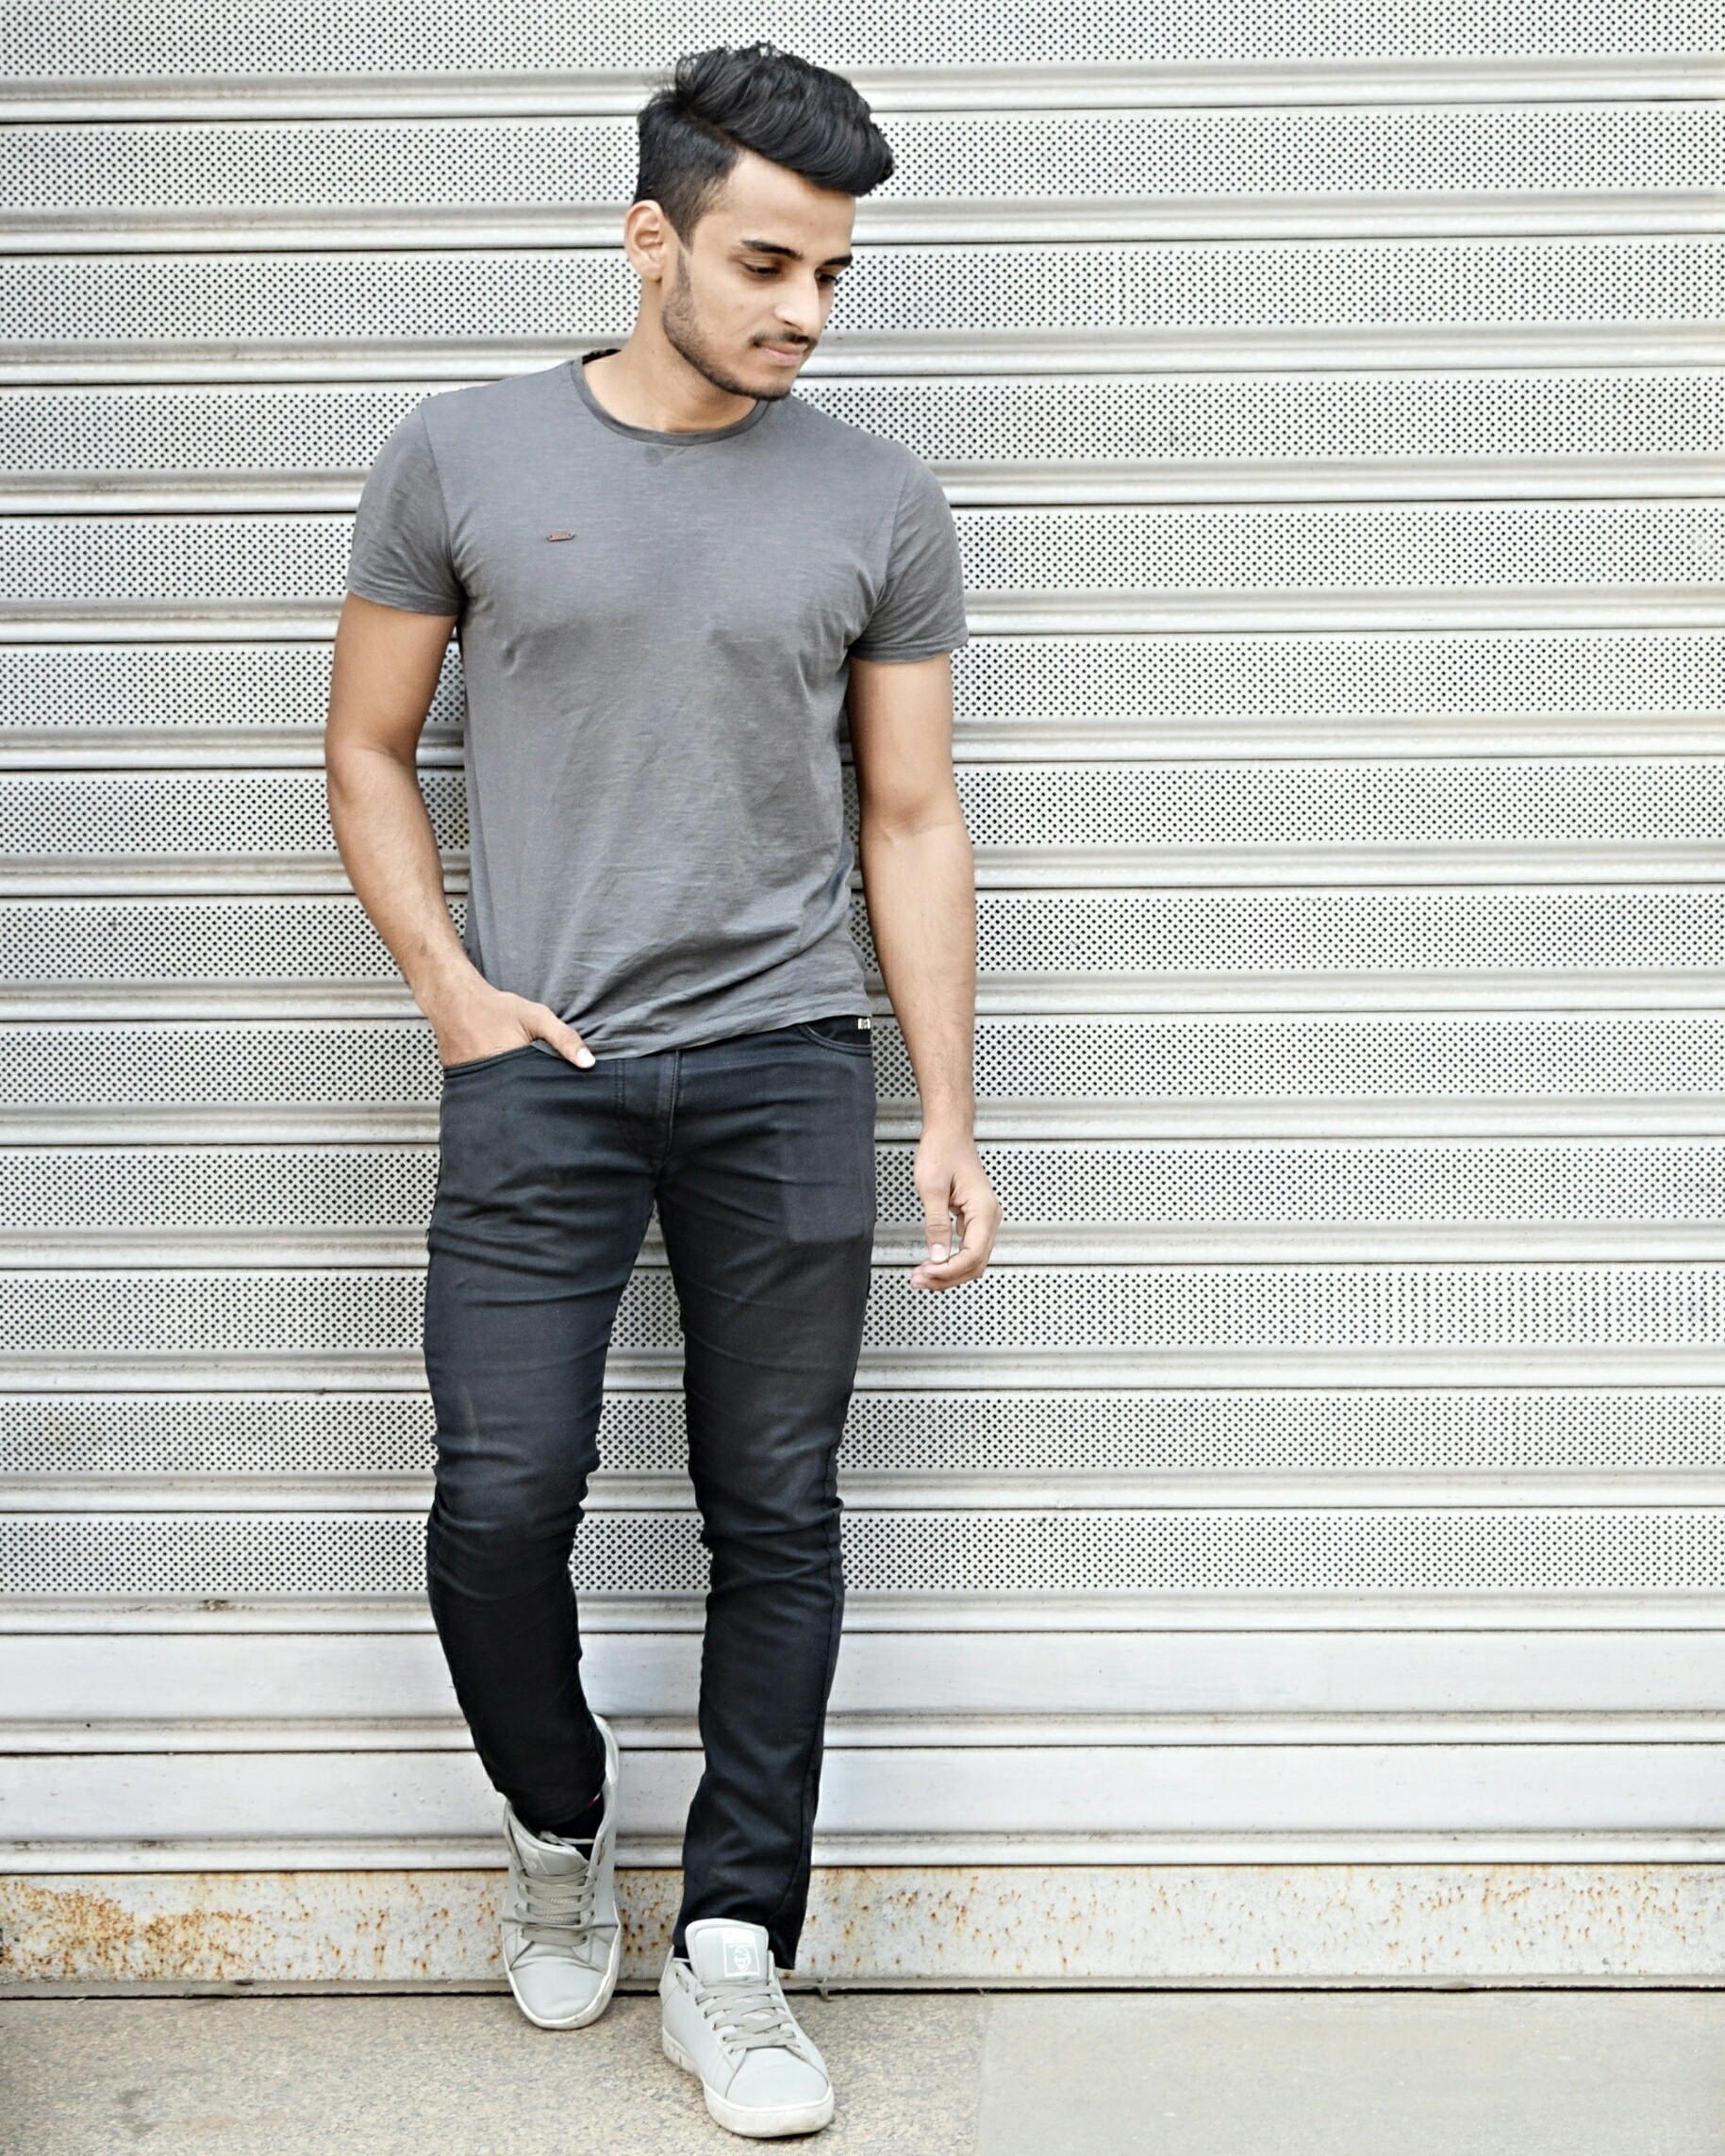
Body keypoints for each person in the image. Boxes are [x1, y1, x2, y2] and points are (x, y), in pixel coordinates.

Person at [325, 41, 1001, 2140]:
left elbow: (911, 814)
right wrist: (449, 988)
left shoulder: (875, 499)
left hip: (788, 1066)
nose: (805, 311)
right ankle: (555, 1821)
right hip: (541, 1065)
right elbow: (364, 748)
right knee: (497, 1503)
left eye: (832, 274)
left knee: (775, 1515)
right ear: (652, 239)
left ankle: (732, 1945)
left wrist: (948, 1110)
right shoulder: (458, 454)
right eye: (766, 264)